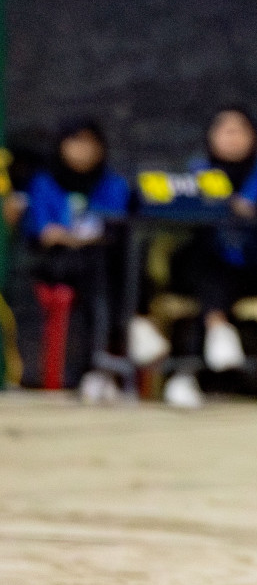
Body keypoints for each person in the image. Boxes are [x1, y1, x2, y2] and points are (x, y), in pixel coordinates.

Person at [160, 106, 257, 409]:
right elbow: (172, 209)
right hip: (202, 265)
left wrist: (253, 212)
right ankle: (217, 325)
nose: (232, 138)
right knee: (203, 262)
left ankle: (187, 370)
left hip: (249, 268)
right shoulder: (198, 172)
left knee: (216, 275)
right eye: (225, 131)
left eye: (240, 131)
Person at [20, 119, 132, 397]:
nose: (82, 150)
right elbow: (43, 234)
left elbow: (113, 228)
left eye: (88, 143)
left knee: (110, 270)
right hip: (56, 264)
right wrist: (70, 237)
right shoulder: (45, 182)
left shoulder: (113, 184)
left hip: (101, 263)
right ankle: (97, 366)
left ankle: (101, 367)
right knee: (94, 274)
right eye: (75, 142)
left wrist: (81, 236)